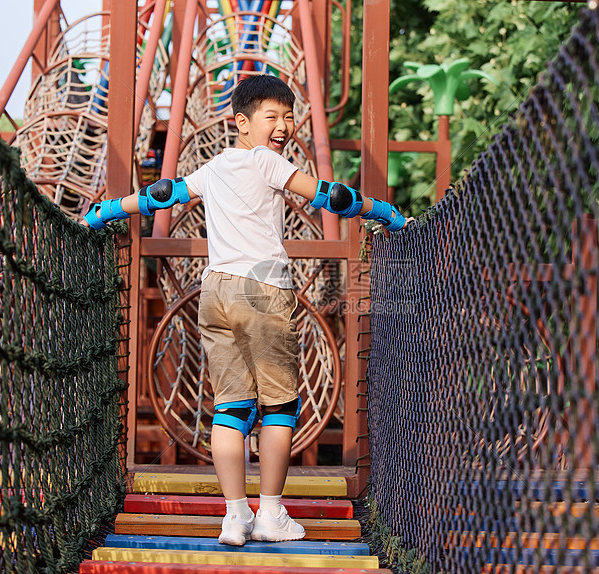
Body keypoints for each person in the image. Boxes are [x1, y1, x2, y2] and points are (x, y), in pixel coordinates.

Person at [83, 74, 408, 545]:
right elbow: (328, 195)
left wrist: (106, 211)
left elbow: (163, 194)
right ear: (242, 122)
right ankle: (272, 513)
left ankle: (235, 515)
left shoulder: (213, 168)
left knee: (230, 408)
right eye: (271, 117)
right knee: (279, 403)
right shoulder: (267, 161)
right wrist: (386, 214)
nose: (283, 126)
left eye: (289, 117)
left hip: (214, 292)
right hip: (262, 290)